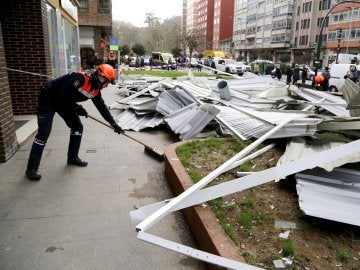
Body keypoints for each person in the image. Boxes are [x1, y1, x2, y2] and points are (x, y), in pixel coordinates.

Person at [25, 64, 124, 181]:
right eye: (107, 82)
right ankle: (31, 168)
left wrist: (114, 124)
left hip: (64, 103)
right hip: (49, 98)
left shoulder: (96, 90)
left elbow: (102, 108)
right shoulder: (80, 78)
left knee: (77, 127)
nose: (107, 85)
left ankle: (72, 158)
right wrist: (77, 107)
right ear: (101, 77)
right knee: (44, 132)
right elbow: (63, 95)